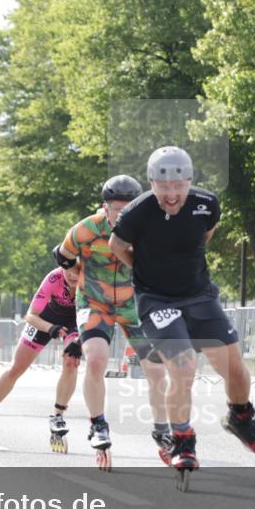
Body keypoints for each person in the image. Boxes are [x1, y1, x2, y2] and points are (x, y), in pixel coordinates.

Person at [109, 146, 255, 487]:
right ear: (151, 184)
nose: (171, 195)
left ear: (189, 182)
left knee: (234, 367)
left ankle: (241, 418)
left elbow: (204, 235)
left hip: (199, 295)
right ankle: (183, 441)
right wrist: (145, 271)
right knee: (183, 366)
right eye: (163, 187)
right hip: (156, 300)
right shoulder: (137, 213)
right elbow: (116, 246)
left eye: (178, 186)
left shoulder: (207, 204)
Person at [54, 176, 169, 470]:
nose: (122, 215)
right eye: (117, 209)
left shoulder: (151, 229)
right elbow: (63, 255)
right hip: (96, 303)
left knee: (157, 370)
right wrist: (78, 273)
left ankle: (162, 431)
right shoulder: (86, 229)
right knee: (96, 360)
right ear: (105, 208)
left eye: (129, 209)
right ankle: (98, 425)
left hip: (133, 306)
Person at [0, 263, 83, 452]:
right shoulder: (53, 279)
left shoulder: (92, 281)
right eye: (67, 270)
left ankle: (58, 416)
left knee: (71, 362)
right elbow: (30, 316)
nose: (71, 276)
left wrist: (81, 339)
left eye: (77, 272)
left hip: (75, 322)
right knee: (16, 368)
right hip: (44, 320)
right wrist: (50, 328)